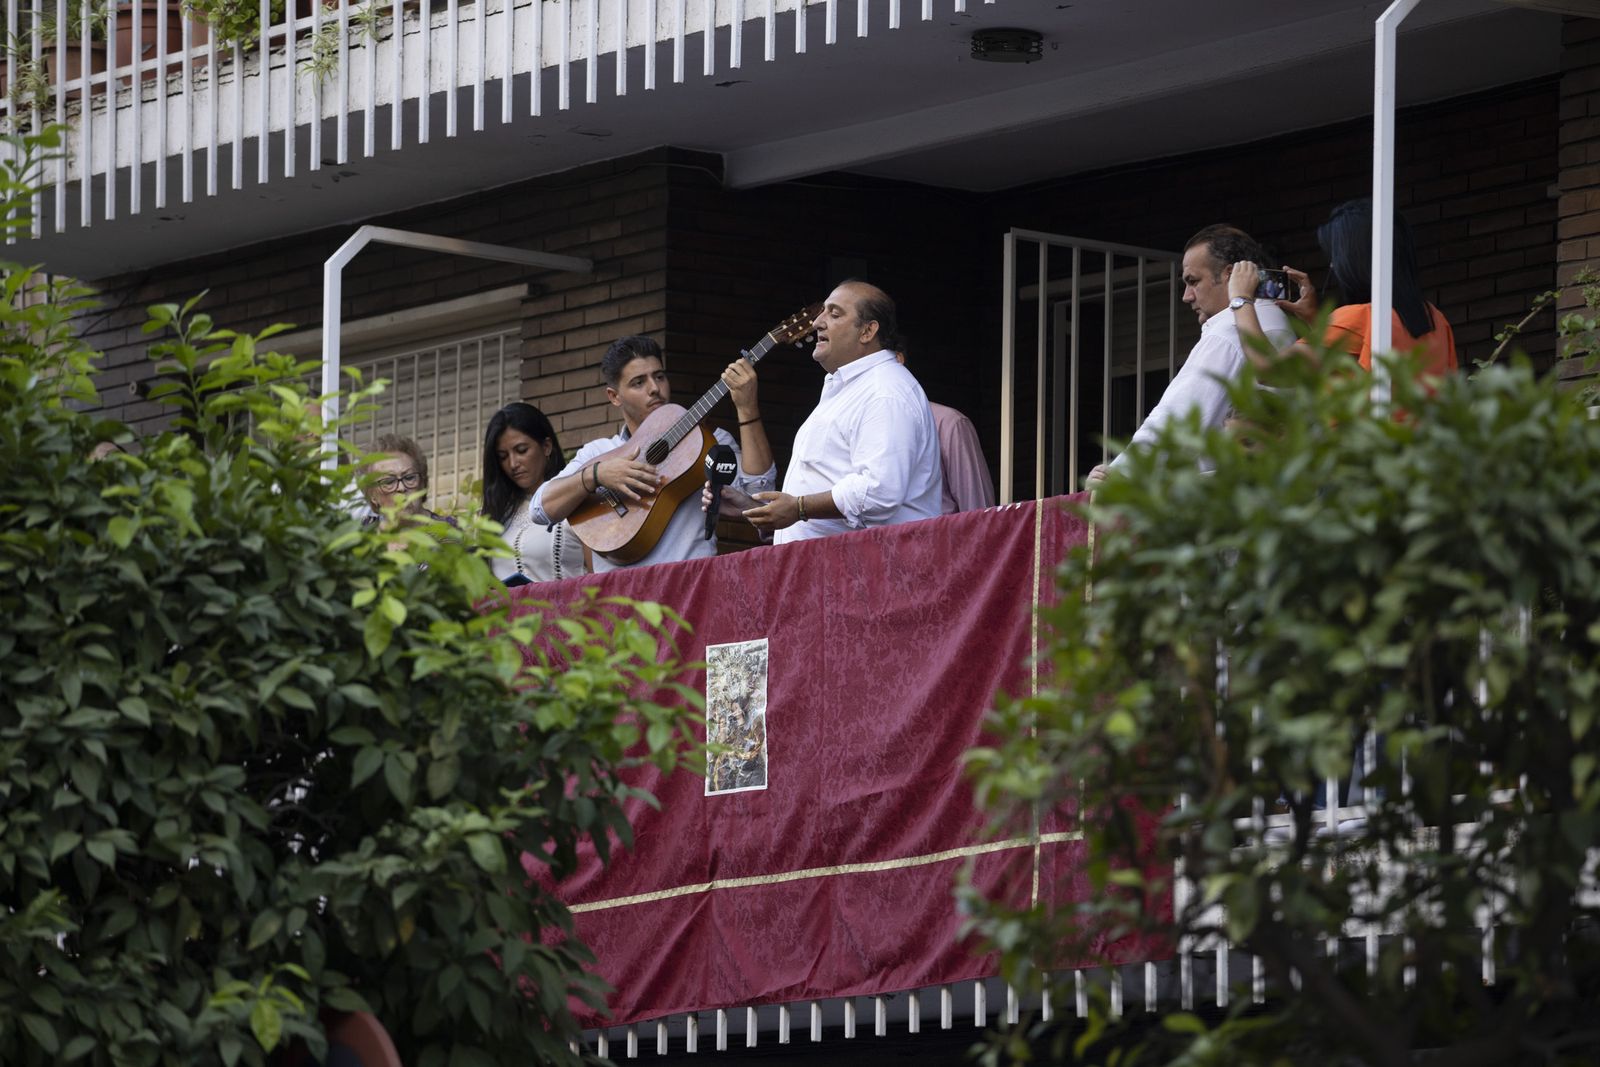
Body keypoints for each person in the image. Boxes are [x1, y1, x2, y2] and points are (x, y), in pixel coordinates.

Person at [531, 336, 776, 572]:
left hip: (690, 591)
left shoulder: (708, 441)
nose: (654, 389)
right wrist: (595, 475)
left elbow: (760, 497)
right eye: (638, 382)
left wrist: (747, 407)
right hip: (619, 603)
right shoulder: (600, 452)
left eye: (659, 377)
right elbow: (540, 509)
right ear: (614, 396)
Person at [1089, 225, 1295, 485]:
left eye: (1193, 281)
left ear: (1231, 276)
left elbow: (1176, 420)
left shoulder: (1229, 329)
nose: (1186, 297)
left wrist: (1118, 478)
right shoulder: (1277, 320)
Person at [740, 280, 942, 543]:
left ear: (867, 331)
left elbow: (878, 491)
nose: (816, 323)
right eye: (822, 311)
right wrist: (759, 510)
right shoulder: (851, 387)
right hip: (833, 572)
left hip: (869, 574)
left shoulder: (885, 391)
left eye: (834, 314)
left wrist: (799, 508)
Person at [1228, 198, 1457, 379]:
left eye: (1335, 256)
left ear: (1355, 259)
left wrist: (1240, 300)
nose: (1332, 265)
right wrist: (1316, 322)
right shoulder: (1436, 319)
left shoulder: (1358, 318)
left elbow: (1270, 371)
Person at [480, 404, 585, 585]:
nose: (513, 463)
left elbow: (600, 576)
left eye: (521, 450)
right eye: (503, 456)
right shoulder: (492, 515)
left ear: (546, 447)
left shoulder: (578, 499)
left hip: (572, 611)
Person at [895, 347, 994, 514]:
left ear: (897, 361)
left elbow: (979, 513)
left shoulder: (949, 423)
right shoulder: (858, 430)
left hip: (941, 538)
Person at [361, 433, 460, 538]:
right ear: (372, 495)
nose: (401, 488)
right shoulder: (363, 534)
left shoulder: (447, 531)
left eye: (409, 478)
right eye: (389, 482)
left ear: (422, 484)